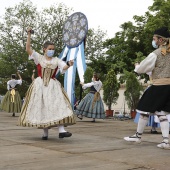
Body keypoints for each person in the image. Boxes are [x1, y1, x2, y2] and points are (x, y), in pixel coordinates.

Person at [18, 27, 76, 140]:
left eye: (53, 49)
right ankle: (45, 133)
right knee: (43, 107)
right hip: (40, 85)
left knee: (57, 105)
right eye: (50, 48)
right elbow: (28, 48)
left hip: (53, 86)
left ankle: (61, 130)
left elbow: (63, 66)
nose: (52, 50)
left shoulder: (56, 60)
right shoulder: (38, 57)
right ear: (44, 49)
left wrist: (69, 64)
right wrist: (29, 34)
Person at [124, 27, 170, 149]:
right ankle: (166, 141)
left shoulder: (155, 54)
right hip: (168, 87)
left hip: (158, 85)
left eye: (154, 39)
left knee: (143, 109)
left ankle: (138, 136)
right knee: (161, 112)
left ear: (160, 40)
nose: (153, 41)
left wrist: (137, 66)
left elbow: (141, 69)